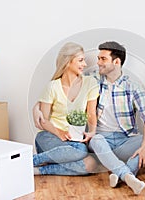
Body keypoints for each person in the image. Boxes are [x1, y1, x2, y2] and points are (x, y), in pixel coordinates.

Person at [34, 41, 145, 195]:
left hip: (125, 140)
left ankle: (122, 175)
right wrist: (36, 108)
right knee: (96, 140)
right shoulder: (92, 80)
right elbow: (60, 86)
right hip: (100, 140)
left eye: (103, 59)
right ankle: (126, 175)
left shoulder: (133, 87)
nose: (97, 62)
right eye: (98, 58)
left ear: (116, 62)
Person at [33, 42, 99, 175]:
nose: (85, 64)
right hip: (50, 137)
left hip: (76, 142)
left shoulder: (90, 83)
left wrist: (92, 132)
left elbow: (91, 113)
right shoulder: (52, 87)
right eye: (80, 60)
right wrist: (59, 132)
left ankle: (39, 167)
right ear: (68, 62)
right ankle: (36, 161)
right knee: (79, 153)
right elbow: (43, 121)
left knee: (90, 164)